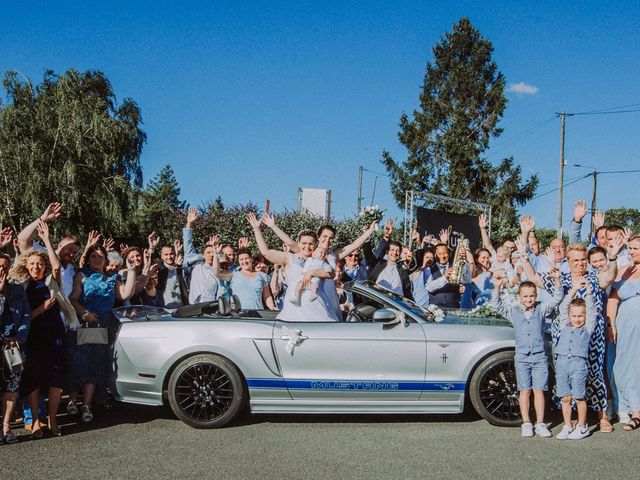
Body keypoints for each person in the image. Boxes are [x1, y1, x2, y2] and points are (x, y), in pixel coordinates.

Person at [520, 235, 623, 433]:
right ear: (568, 260)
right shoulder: (562, 279)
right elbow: (533, 278)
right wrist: (525, 257)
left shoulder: (594, 277)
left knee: (595, 373)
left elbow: (609, 276)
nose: (580, 263)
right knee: (568, 374)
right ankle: (574, 417)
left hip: (592, 336)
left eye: (583, 259)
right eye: (575, 260)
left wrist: (612, 258)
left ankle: (602, 416)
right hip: (565, 337)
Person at [68, 244, 137, 422]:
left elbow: (124, 294)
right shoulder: (81, 275)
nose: (97, 259)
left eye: (100, 256)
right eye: (93, 256)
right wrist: (85, 313)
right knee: (78, 363)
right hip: (84, 324)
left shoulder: (113, 278)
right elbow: (73, 299)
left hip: (103, 326)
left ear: (106, 259)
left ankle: (87, 405)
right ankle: (72, 400)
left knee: (95, 365)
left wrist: (131, 270)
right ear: (89, 258)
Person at [11, 221, 66, 436]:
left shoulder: (52, 282)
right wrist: (41, 309)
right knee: (32, 379)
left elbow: (56, 267)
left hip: (55, 335)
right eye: (32, 264)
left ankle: (52, 419)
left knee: (55, 378)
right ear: (26, 266)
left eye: (39, 264)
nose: (36, 267)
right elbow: (25, 317)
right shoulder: (22, 288)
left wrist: (46, 241)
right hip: (33, 337)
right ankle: (35, 421)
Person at [491, 272, 562, 438]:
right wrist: (497, 287)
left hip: (539, 357)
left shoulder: (541, 309)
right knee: (524, 390)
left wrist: (557, 280)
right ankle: (526, 422)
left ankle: (540, 423)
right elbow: (496, 305)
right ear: (519, 296)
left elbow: (557, 298)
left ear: (536, 296)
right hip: (522, 357)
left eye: (532, 296)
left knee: (539, 390)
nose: (529, 299)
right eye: (525, 296)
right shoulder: (513, 312)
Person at [249, 213, 337, 322]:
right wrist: (257, 229)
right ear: (299, 243)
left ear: (316, 244)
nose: (307, 247)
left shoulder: (319, 260)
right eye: (304, 243)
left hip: (317, 307)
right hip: (294, 309)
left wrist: (312, 272)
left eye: (311, 244)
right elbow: (266, 252)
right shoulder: (289, 258)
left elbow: (331, 274)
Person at [606, 234, 640, 431]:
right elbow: (612, 299)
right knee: (621, 366)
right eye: (630, 248)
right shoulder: (624, 270)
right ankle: (625, 407)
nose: (631, 252)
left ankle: (636, 412)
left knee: (637, 366)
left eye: (635, 248)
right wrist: (611, 325)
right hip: (624, 326)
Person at [555, 282, 596, 440]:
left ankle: (582, 426)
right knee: (565, 397)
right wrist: (573, 290)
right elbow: (563, 306)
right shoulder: (564, 324)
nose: (577, 319)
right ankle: (567, 425)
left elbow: (591, 310)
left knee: (579, 397)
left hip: (578, 365)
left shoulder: (588, 328)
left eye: (580, 315)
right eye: (574, 315)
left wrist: (589, 291)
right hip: (562, 363)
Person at [0, 253, 31, 443]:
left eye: (5, 266)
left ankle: (6, 426)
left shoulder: (18, 290)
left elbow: (26, 316)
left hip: (13, 346)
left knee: (11, 386)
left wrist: (19, 337)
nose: (1, 269)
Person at [212, 240, 275, 311]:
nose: (244, 261)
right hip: (239, 316)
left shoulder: (262, 276)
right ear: (238, 261)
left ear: (251, 259)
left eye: (246, 258)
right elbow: (217, 273)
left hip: (258, 315)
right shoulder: (233, 274)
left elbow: (267, 296)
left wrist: (272, 307)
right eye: (241, 259)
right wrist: (216, 255)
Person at [156, 243, 188, 308]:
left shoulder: (180, 270)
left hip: (181, 308)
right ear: (161, 256)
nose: (169, 257)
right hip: (163, 309)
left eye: (171, 254)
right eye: (166, 254)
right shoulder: (158, 271)